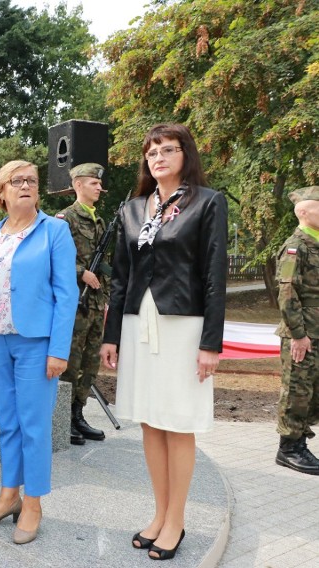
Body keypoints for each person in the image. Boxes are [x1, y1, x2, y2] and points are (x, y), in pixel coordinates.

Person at [100, 123, 227, 561]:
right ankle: (159, 514)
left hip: (184, 326)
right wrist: (111, 335)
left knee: (178, 421)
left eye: (168, 149)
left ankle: (176, 520)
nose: (158, 157)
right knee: (151, 422)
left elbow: (215, 276)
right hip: (139, 324)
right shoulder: (132, 208)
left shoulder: (207, 202)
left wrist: (211, 343)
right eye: (152, 152)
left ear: (184, 154)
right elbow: (120, 277)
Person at [0, 160, 77, 544]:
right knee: (8, 424)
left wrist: (58, 349)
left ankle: (33, 504)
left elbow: (67, 294)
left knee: (34, 426)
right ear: (2, 193)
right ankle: (8, 495)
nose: (26, 185)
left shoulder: (55, 231)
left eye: (31, 180)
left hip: (36, 345)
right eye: (17, 180)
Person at [56, 163, 109, 446]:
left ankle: (78, 414)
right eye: (93, 183)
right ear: (78, 185)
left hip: (95, 302)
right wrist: (81, 272)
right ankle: (62, 418)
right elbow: (55, 255)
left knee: (90, 362)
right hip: (74, 302)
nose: (99, 188)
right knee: (70, 360)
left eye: (99, 184)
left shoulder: (99, 222)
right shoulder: (66, 218)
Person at [274, 185, 319, 475]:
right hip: (301, 334)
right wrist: (298, 335)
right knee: (296, 390)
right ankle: (289, 448)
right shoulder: (296, 246)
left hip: (315, 333)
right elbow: (287, 294)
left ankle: (300, 441)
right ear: (303, 212)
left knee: (310, 391)